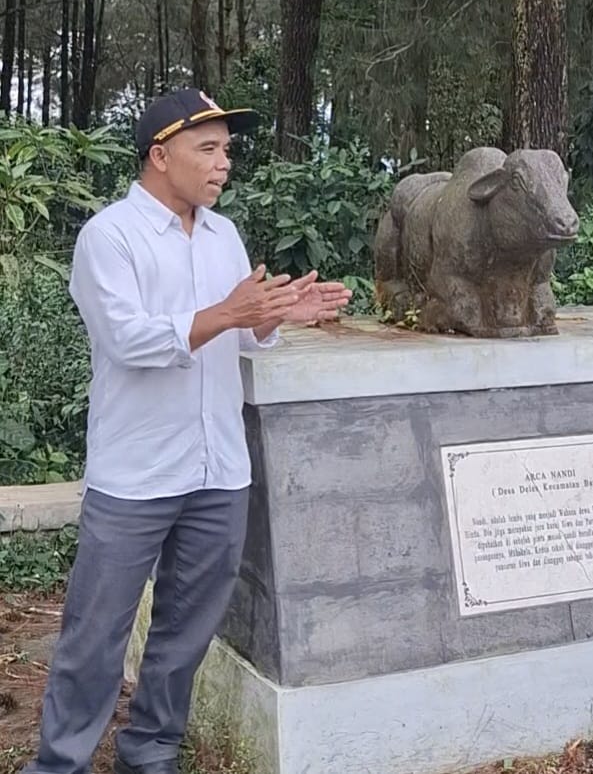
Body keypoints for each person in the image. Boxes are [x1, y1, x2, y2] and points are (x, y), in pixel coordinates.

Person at [20, 88, 352, 774]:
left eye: (227, 149)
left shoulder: (224, 236)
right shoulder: (108, 237)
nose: (223, 162)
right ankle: (60, 764)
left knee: (184, 632)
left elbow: (239, 338)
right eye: (208, 148)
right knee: (94, 634)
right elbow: (129, 341)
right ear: (159, 155)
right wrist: (232, 311)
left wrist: (278, 315)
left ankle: (149, 753)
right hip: (135, 475)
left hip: (218, 474)